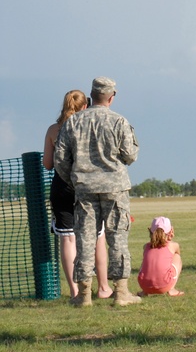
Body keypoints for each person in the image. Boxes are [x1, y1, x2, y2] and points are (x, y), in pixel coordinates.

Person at [52, 77, 141, 306]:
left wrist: (74, 179)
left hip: (84, 191)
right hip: (115, 189)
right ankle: (121, 292)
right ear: (112, 97)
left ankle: (83, 295)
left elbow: (60, 159)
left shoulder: (73, 123)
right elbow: (130, 155)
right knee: (117, 238)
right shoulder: (119, 121)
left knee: (84, 241)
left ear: (91, 97)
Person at [43, 89, 113, 300]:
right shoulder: (89, 127)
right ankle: (103, 287)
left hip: (62, 187)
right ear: (85, 106)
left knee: (68, 239)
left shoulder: (54, 130)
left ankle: (75, 292)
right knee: (98, 236)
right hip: (87, 186)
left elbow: (47, 163)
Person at [138, 216, 183, 296]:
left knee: (147, 261)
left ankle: (144, 292)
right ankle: (171, 289)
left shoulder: (146, 246)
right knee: (177, 257)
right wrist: (169, 239)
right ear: (171, 231)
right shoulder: (173, 246)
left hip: (144, 285)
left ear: (150, 231)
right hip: (164, 286)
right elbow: (177, 254)